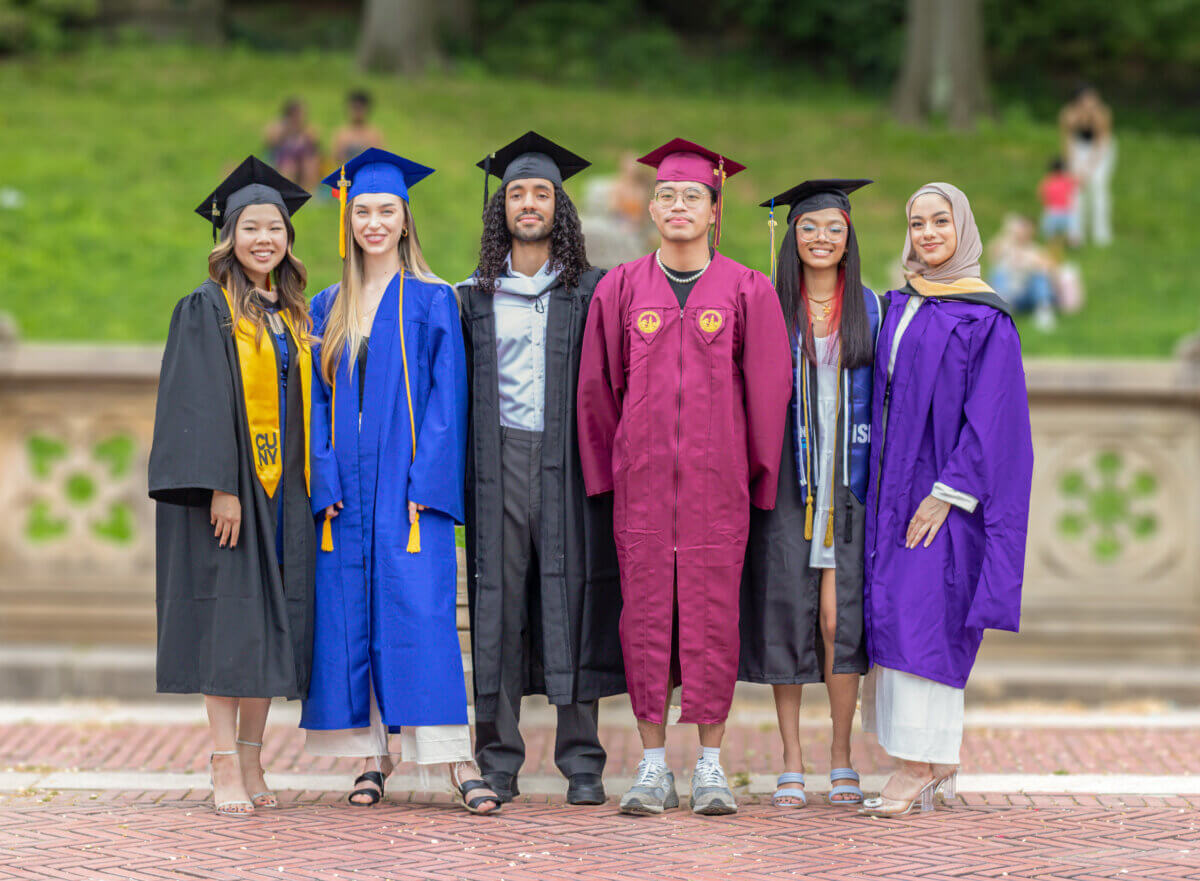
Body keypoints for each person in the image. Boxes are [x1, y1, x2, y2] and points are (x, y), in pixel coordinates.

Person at [577, 138, 792, 816]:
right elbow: (597, 388)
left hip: (716, 487)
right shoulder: (620, 287)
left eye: (690, 195)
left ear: (713, 207)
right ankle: (648, 767)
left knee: (711, 620)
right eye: (666, 194)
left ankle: (709, 765)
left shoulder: (747, 290)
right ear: (651, 206)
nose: (676, 205)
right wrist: (608, 472)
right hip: (640, 488)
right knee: (643, 620)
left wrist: (758, 479)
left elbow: (768, 389)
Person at [300, 148, 499, 815]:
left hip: (411, 489)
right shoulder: (328, 305)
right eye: (363, 211)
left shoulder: (435, 299)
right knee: (353, 612)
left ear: (406, 219)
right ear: (347, 219)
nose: (374, 222)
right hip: (347, 491)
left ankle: (454, 756)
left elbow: (449, 400)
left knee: (422, 613)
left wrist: (429, 477)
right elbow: (317, 404)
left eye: (386, 210)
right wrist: (323, 475)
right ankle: (371, 754)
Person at [149, 156, 321, 817]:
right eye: (251, 227)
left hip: (284, 495)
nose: (264, 239)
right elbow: (196, 403)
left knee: (270, 626)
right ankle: (224, 760)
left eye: (274, 228)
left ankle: (253, 754)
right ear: (229, 237)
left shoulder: (291, 314)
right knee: (229, 622)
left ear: (287, 239)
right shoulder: (205, 308)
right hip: (232, 493)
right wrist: (221, 485)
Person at [459, 132, 625, 807]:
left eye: (542, 193)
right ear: (501, 208)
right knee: (496, 608)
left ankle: (582, 760)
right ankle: (497, 759)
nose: (530, 203)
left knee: (572, 599)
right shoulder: (473, 295)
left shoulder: (593, 291)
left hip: (568, 465)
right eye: (518, 193)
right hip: (497, 464)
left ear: (561, 207)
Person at [860, 182, 1033, 818]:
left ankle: (916, 766)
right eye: (918, 222)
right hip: (890, 487)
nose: (929, 232)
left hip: (943, 495)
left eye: (941, 221)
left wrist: (946, 495)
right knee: (898, 612)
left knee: (922, 616)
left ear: (963, 228)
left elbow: (994, 416)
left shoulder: (985, 316)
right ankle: (937, 762)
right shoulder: (901, 304)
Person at [740, 179, 883, 809]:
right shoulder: (768, 308)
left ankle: (842, 756)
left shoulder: (875, 310)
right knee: (789, 619)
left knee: (836, 621)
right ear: (791, 236)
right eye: (808, 228)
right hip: (789, 487)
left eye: (833, 229)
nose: (821, 239)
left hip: (850, 486)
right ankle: (792, 760)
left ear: (849, 238)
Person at [1058, 86, 1115, 246]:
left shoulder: (1102, 115)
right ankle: (1075, 233)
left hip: (1100, 152)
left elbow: (1101, 144)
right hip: (1078, 150)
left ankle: (1101, 233)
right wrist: (1072, 167)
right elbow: (1067, 141)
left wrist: (1088, 170)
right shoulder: (1068, 115)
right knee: (1074, 191)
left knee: (1098, 186)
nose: (1090, 104)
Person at [988, 214, 1057, 331]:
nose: (1023, 232)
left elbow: (1051, 268)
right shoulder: (1006, 246)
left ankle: (1044, 311)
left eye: (1027, 229)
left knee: (1039, 276)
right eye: (1021, 228)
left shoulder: (1035, 250)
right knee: (998, 272)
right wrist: (1006, 233)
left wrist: (1032, 264)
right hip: (1010, 296)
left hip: (1028, 295)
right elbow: (991, 254)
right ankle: (1001, 311)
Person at [265, 98, 322, 192]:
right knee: (289, 165)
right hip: (284, 160)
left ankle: (309, 191)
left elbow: (316, 144)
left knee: (310, 163)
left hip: (304, 160)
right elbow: (270, 142)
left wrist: (303, 132)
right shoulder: (279, 127)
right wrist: (287, 130)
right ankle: (288, 191)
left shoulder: (307, 129)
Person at [332, 90, 384, 168]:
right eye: (354, 107)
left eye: (360, 108)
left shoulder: (373, 134)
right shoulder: (342, 134)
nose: (357, 112)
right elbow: (335, 159)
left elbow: (380, 160)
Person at [1038, 157, 1077, 247]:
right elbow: (1079, 184)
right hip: (1066, 210)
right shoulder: (1067, 180)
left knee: (1051, 231)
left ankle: (1054, 243)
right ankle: (1070, 244)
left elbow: (1042, 194)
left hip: (1052, 210)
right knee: (1070, 230)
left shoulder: (1048, 181)